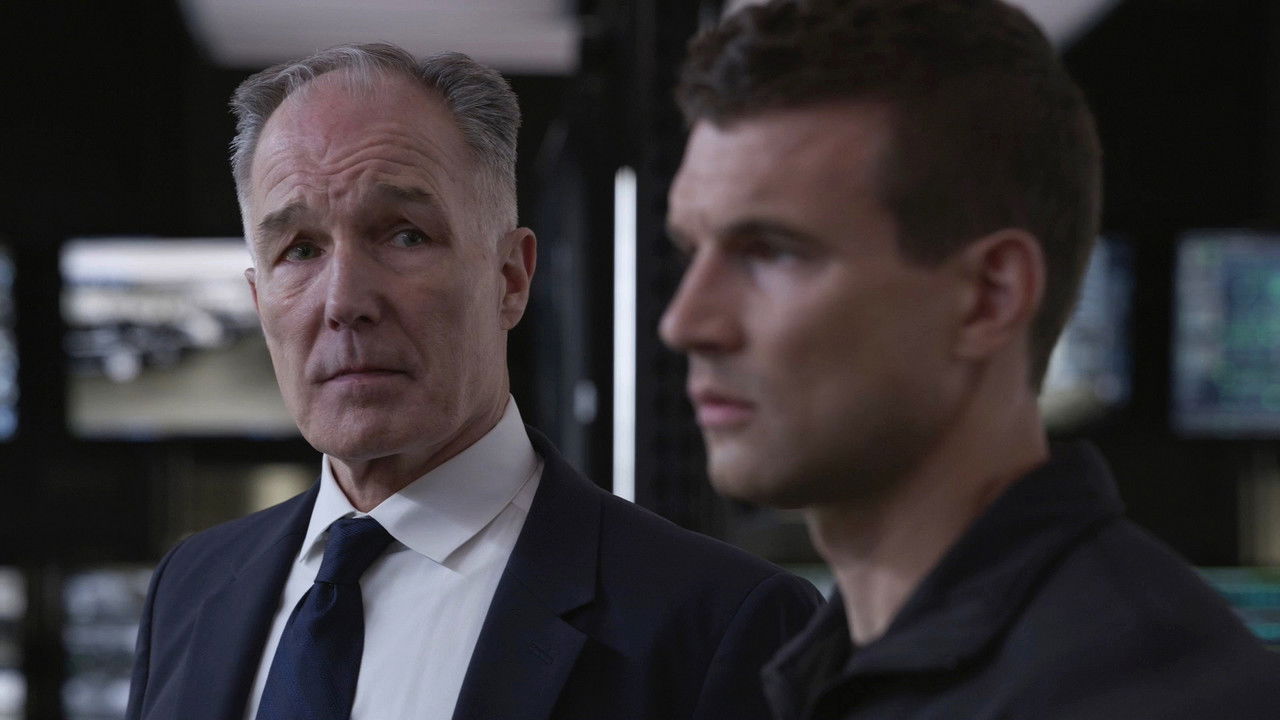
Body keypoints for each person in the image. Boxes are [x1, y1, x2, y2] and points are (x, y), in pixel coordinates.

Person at [125, 43, 820, 720]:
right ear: (259, 302)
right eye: (300, 249)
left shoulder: (723, 624)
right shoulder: (190, 589)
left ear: (510, 278)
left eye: (404, 234)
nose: (343, 301)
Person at [660, 1, 1280, 718]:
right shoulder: (842, 665)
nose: (686, 323)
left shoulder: (1142, 698)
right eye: (691, 251)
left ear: (990, 297)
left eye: (772, 252)